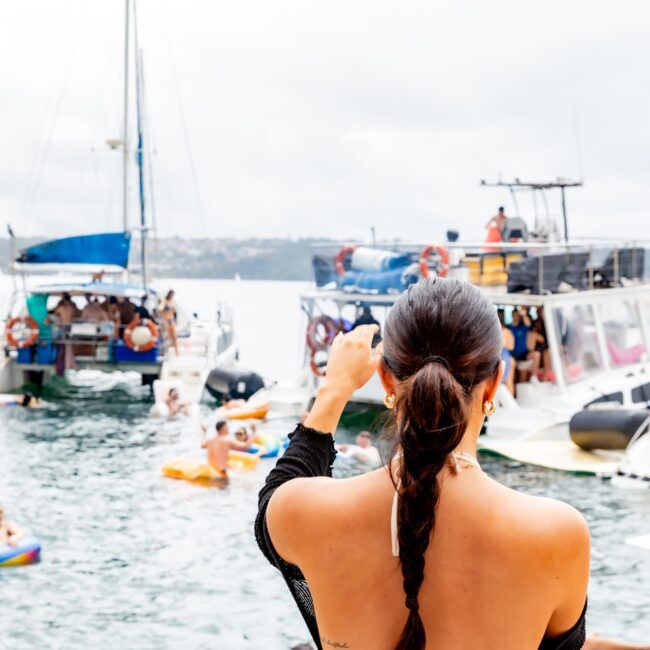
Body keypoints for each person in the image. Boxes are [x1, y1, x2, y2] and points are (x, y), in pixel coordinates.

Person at [256, 278, 640, 649]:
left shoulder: (302, 513)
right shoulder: (560, 534)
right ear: (494, 383)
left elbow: (277, 494)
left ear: (386, 380)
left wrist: (335, 389)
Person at [498, 309, 516, 395]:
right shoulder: (507, 331)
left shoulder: (504, 331)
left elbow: (509, 346)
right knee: (508, 380)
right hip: (505, 356)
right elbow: (512, 347)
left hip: (503, 357)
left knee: (507, 379)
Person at [160, 290, 178, 356]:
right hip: (166, 320)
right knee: (167, 336)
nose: (172, 296)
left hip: (171, 320)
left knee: (174, 337)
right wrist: (163, 306)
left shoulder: (172, 302)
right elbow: (161, 308)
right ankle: (166, 352)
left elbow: (175, 312)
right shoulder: (164, 301)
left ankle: (177, 353)